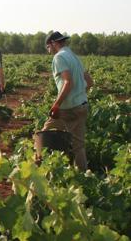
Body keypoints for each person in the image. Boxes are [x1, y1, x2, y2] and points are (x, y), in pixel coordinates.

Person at [38, 31, 93, 171]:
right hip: (82, 105)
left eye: (48, 47)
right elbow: (90, 82)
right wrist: (79, 96)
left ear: (53, 43)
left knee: (43, 135)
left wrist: (56, 104)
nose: (48, 51)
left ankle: (36, 169)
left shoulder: (59, 57)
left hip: (66, 108)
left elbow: (68, 82)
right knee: (78, 146)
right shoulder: (74, 57)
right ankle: (83, 179)